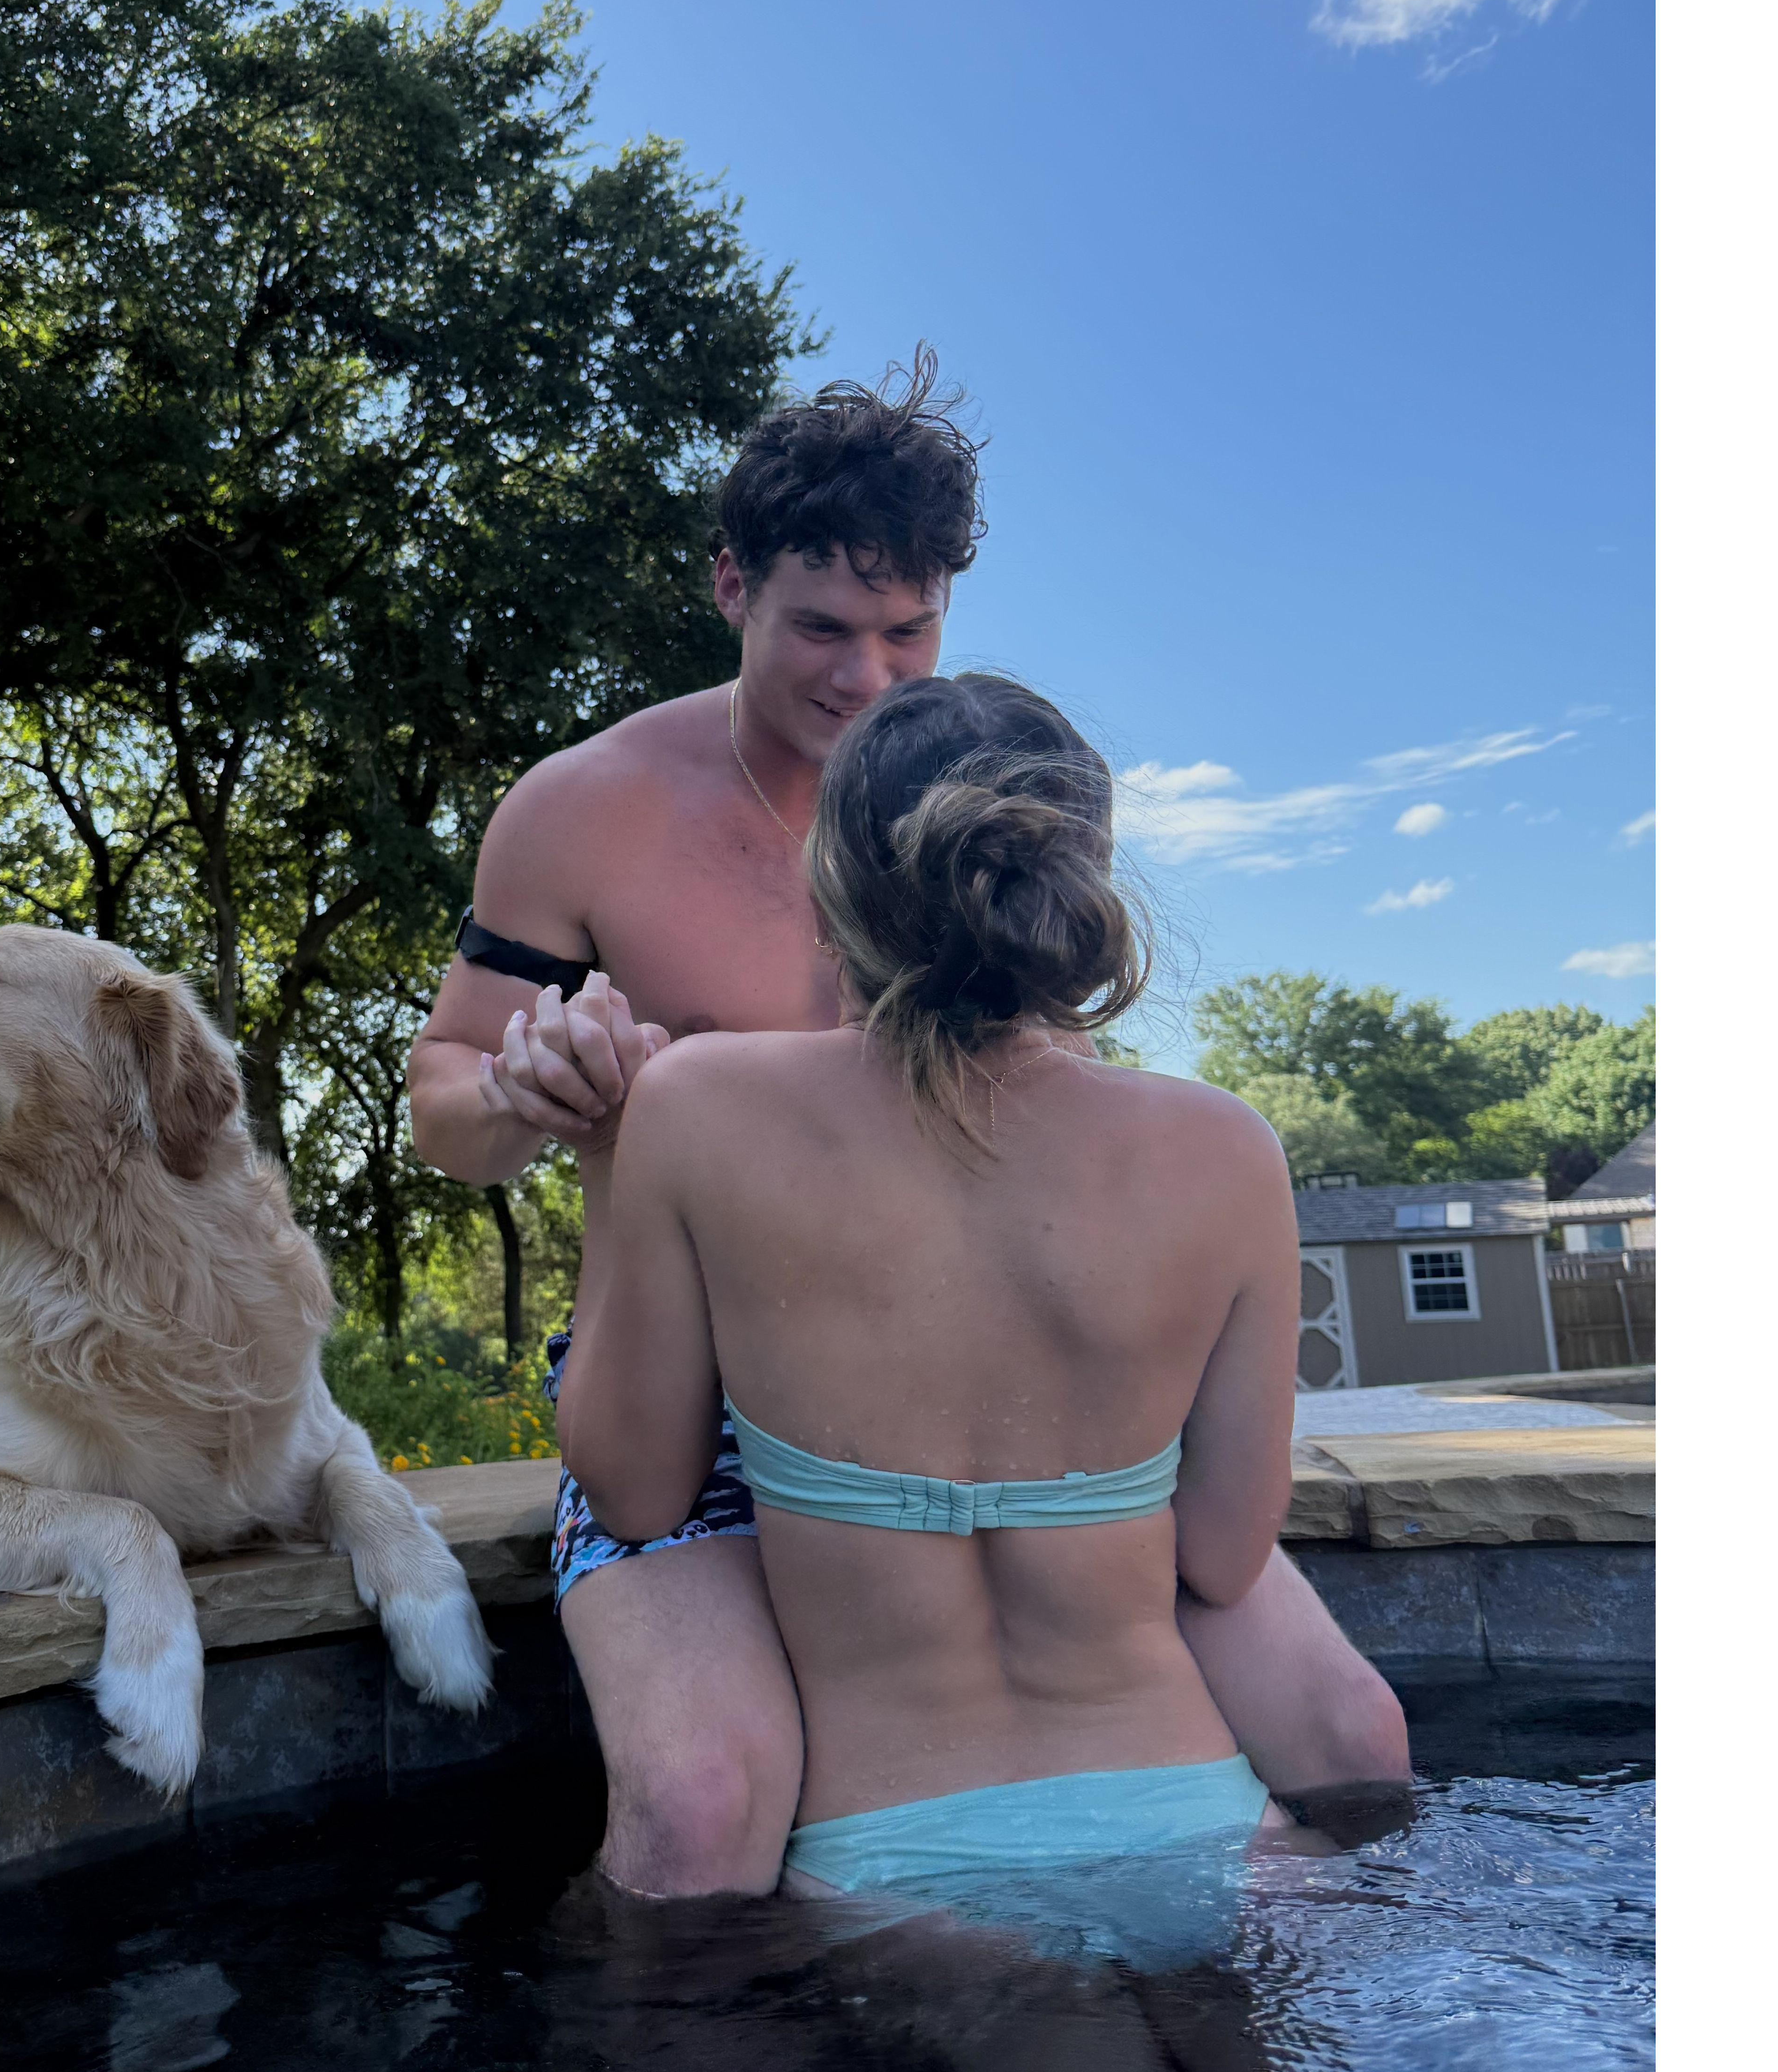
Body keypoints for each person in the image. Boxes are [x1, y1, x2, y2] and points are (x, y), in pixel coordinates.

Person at [407, 357, 1407, 1896]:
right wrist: (527, 1091)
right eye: (821, 628)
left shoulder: (990, 794)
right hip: (686, 1392)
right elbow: (445, 1109)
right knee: (701, 1807)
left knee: (1353, 1731)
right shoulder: (586, 809)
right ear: (732, 586)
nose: (868, 677)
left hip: (972, 1379)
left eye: (909, 631)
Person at [555, 671, 1324, 1913]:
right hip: (1211, 1829)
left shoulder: (698, 1108)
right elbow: (1229, 1559)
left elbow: (635, 1496)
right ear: (1074, 887)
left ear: (826, 896)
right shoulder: (1226, 1148)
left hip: (901, 1872)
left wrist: (606, 1150)